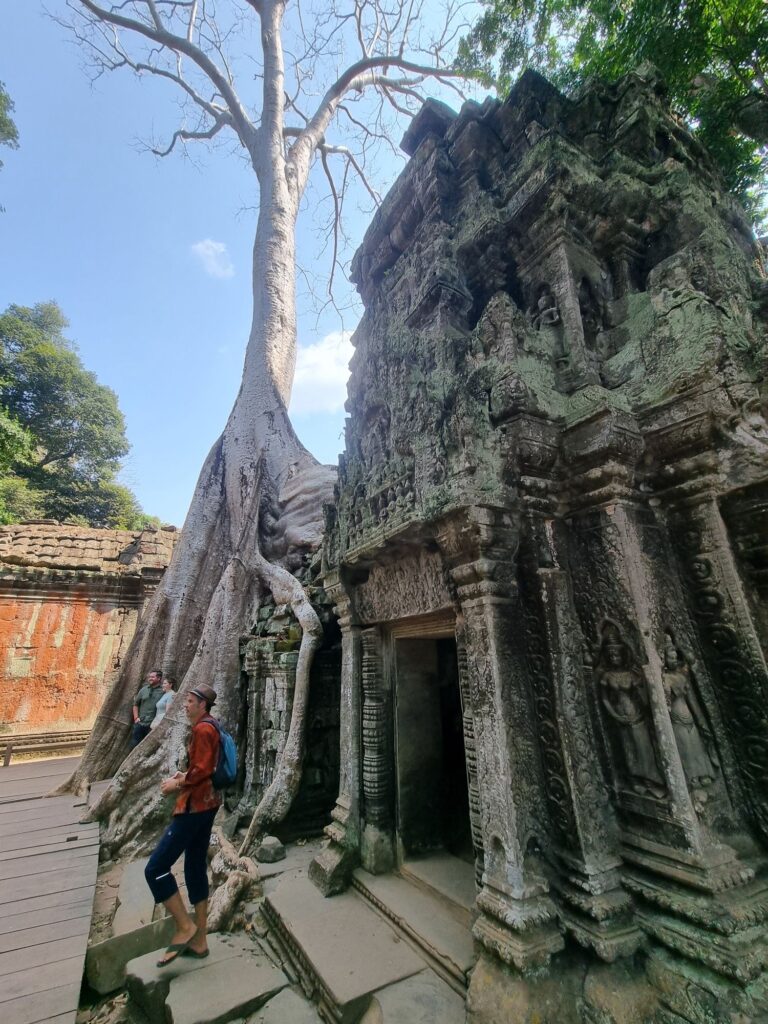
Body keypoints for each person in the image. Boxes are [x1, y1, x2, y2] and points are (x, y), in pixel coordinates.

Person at [144, 683, 221, 966]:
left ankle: (185, 926)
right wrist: (184, 773)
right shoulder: (211, 726)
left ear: (202, 705)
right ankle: (201, 940)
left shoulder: (203, 730)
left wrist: (176, 784)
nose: (185, 705)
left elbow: (202, 770)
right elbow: (202, 767)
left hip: (194, 807)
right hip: (208, 804)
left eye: (189, 701)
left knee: (155, 869)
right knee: (194, 867)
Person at [131, 669, 164, 748]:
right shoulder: (143, 689)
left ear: (159, 678)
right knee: (134, 745)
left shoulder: (163, 691)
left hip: (153, 725)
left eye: (152, 677)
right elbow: (135, 704)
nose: (150, 678)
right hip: (140, 723)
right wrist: (136, 718)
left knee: (148, 747)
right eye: (149, 677)